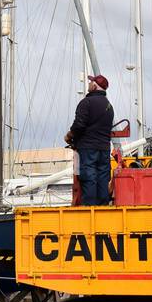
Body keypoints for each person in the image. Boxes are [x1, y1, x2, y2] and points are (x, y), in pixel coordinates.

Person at [65, 74, 114, 206]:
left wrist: (69, 135)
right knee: (103, 177)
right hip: (104, 148)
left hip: (88, 148)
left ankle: (90, 208)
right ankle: (103, 207)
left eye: (90, 82)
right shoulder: (109, 106)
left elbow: (79, 125)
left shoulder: (86, 103)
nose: (88, 84)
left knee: (89, 176)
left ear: (94, 85)